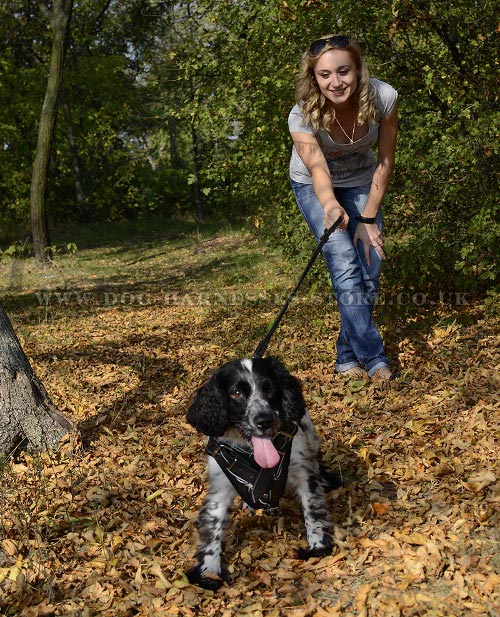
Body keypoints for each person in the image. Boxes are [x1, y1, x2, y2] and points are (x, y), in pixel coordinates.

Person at [288, 35, 398, 381]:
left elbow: (385, 159)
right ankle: (375, 359)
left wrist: (367, 218)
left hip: (364, 180)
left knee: (371, 265)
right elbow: (318, 169)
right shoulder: (302, 115)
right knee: (345, 267)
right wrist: (331, 206)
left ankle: (346, 356)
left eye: (343, 71)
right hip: (313, 185)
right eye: (324, 75)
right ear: (314, 78)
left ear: (358, 70)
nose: (335, 82)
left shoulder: (384, 97)